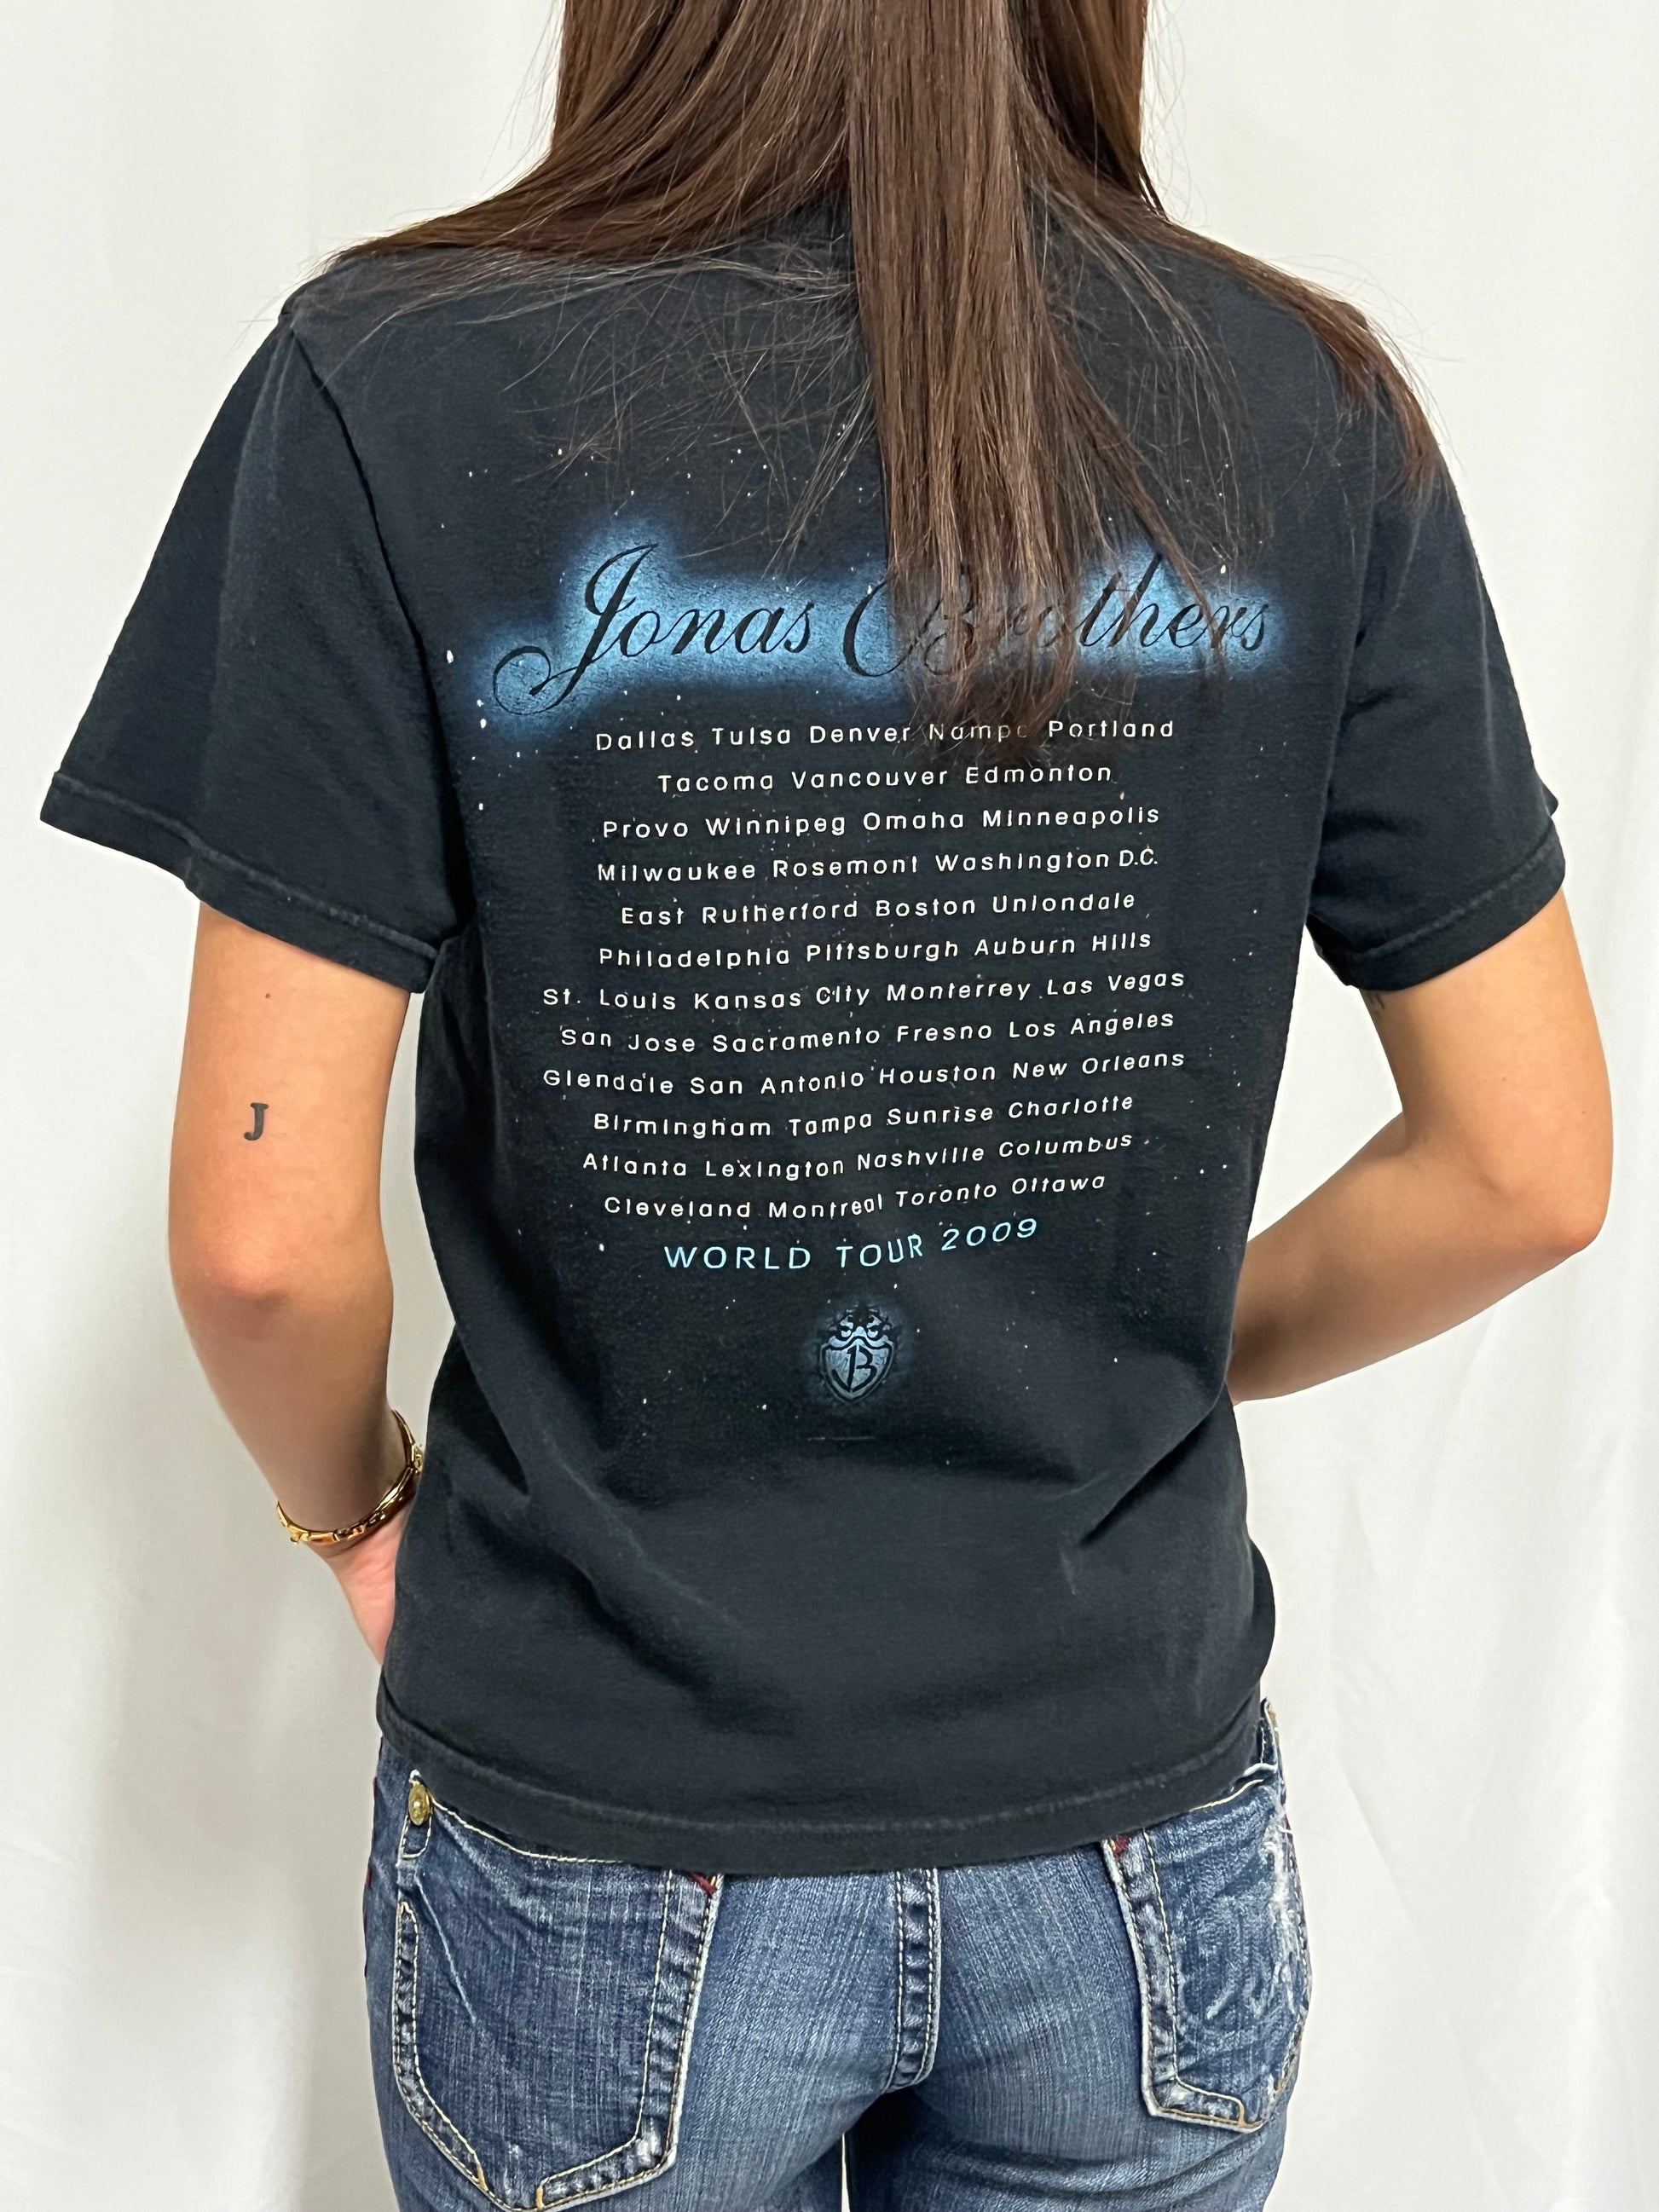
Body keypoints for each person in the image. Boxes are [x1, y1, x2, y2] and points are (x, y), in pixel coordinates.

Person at [40, 0, 1611, 2204]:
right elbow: (1526, 1165)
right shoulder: (1311, 412)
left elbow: (258, 1237)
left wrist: (357, 1515)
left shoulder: (393, 385)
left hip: (608, 1826)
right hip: (1134, 1852)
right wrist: (1152, 1335)